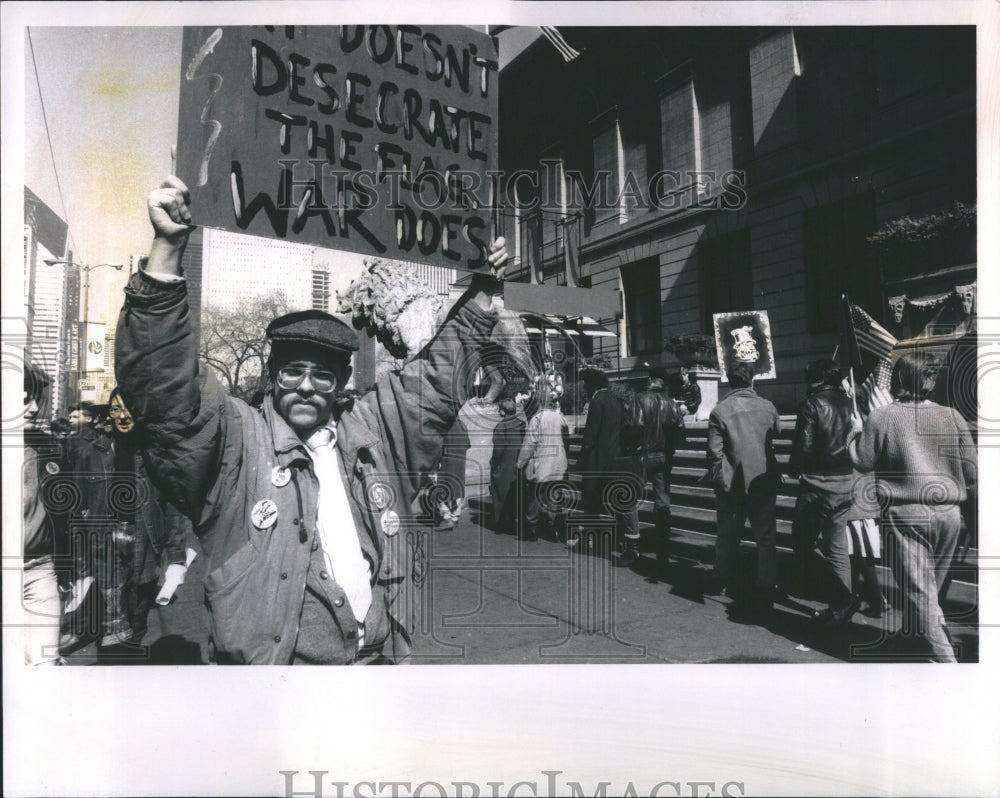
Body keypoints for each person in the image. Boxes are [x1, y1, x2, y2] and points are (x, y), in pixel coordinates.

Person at [115, 174, 508, 665]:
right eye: (292, 371)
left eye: (322, 375)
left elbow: (431, 381)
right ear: (271, 375)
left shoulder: (369, 431)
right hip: (279, 688)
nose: (305, 386)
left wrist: (485, 293)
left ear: (341, 382)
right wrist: (167, 252)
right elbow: (167, 391)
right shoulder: (237, 441)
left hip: (377, 670)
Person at [848, 351, 976, 662]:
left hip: (906, 513)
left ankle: (948, 664)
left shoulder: (882, 417)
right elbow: (972, 472)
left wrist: (854, 430)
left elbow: (863, 461)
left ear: (899, 379)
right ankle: (913, 641)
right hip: (949, 514)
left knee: (921, 592)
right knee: (928, 588)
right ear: (930, 381)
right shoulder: (953, 415)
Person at [60, 387, 190, 659]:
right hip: (104, 552)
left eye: (128, 408)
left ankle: (129, 678)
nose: (122, 415)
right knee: (109, 632)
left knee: (137, 623)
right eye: (116, 409)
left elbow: (173, 507)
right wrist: (80, 566)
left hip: (144, 548)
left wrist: (176, 557)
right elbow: (76, 511)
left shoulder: (156, 455)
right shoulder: (91, 453)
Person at [787, 359, 864, 626]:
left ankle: (843, 599)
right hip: (846, 480)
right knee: (837, 547)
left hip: (818, 485)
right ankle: (842, 605)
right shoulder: (850, 402)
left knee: (802, 545)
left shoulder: (812, 403)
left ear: (816, 379)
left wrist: (793, 468)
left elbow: (804, 444)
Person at [707, 361, 782, 608]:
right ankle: (766, 585)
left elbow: (714, 451)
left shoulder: (720, 410)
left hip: (732, 482)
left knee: (727, 535)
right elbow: (776, 434)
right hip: (763, 479)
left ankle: (721, 579)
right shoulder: (768, 406)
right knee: (766, 537)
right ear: (752, 380)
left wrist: (719, 476)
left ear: (729, 380)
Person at [22, 363, 68, 665]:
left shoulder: (47, 449)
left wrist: (68, 570)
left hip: (38, 571)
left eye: (36, 398)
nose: (34, 408)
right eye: (25, 398)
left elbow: (63, 514)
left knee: (43, 664)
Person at [576, 367, 642, 564]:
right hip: (618, 458)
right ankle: (626, 542)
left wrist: (582, 459)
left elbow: (591, 435)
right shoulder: (617, 401)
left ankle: (592, 540)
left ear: (590, 385)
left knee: (592, 499)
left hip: (598, 460)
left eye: (585, 385)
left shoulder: (597, 401)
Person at [636, 367, 686, 575]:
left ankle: (631, 541)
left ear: (650, 380)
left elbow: (633, 426)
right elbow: (680, 432)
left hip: (642, 455)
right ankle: (663, 543)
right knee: (662, 499)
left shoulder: (640, 399)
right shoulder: (672, 403)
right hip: (664, 456)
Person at [517, 392, 571, 542]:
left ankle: (531, 529)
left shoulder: (536, 419)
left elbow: (529, 444)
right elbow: (567, 437)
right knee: (554, 496)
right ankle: (552, 528)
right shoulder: (560, 418)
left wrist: (520, 463)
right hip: (558, 463)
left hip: (542, 463)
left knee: (536, 497)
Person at [490, 398, 526, 534]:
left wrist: (493, 463)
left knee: (501, 493)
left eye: (500, 409)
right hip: (519, 464)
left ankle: (502, 522)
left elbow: (498, 450)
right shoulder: (521, 424)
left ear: (504, 411)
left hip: (505, 464)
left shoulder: (501, 426)